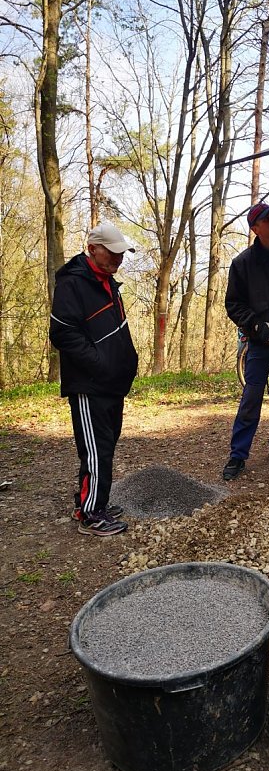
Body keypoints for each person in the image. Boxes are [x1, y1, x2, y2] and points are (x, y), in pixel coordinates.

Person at [49, 221, 138, 536]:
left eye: (121, 253)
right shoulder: (73, 284)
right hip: (89, 385)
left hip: (112, 384)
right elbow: (62, 333)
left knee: (105, 446)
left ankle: (90, 501)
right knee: (97, 448)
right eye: (112, 253)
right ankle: (91, 515)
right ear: (92, 249)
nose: (118, 259)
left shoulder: (108, 282)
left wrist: (126, 363)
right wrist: (100, 365)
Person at [222, 202, 269, 481]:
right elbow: (233, 304)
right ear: (255, 228)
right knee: (252, 397)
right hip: (259, 341)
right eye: (267, 219)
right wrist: (257, 325)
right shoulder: (242, 264)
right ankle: (237, 455)